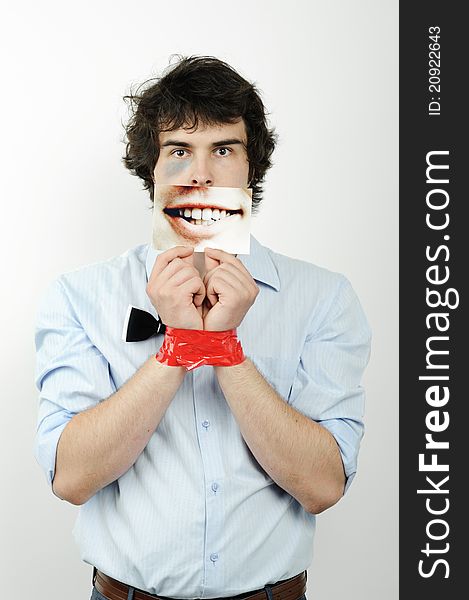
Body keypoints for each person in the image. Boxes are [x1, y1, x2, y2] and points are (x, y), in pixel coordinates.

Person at [34, 55, 371, 600]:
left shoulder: (325, 298)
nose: (201, 174)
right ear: (152, 170)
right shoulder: (77, 296)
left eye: (223, 149)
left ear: (250, 167)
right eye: (178, 151)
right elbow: (71, 479)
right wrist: (177, 349)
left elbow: (323, 486)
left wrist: (224, 348)